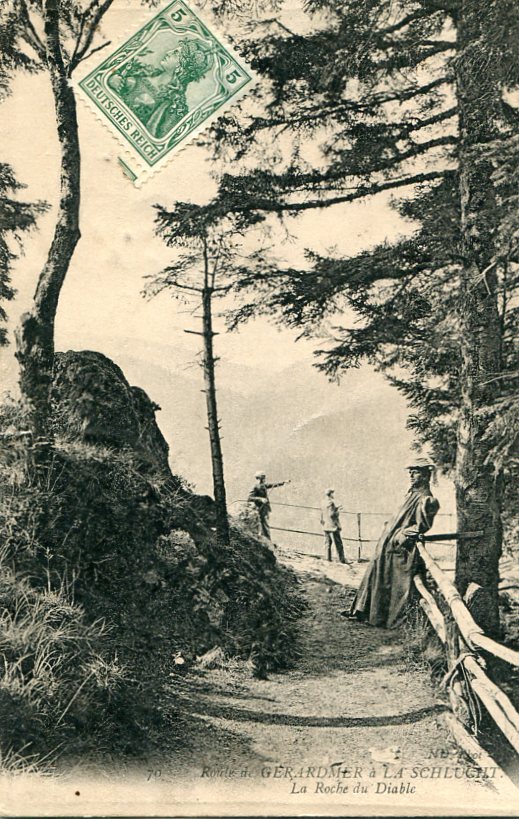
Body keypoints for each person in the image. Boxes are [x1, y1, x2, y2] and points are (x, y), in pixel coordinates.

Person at [348, 458, 440, 628]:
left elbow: (420, 526)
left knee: (395, 583)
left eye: (416, 471)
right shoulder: (412, 495)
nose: (411, 475)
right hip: (388, 545)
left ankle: (383, 618)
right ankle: (368, 612)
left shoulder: (426, 499)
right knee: (379, 575)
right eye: (410, 471)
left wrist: (401, 535)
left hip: (400, 548)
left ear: (426, 475)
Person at [248, 472, 289, 540]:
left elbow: (273, 485)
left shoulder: (263, 485)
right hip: (259, 508)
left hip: (265, 508)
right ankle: (266, 539)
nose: (264, 479)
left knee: (265, 524)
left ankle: (266, 539)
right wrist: (260, 499)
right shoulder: (255, 487)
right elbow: (250, 498)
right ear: (259, 478)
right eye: (263, 478)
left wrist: (283, 482)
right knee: (262, 524)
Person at [320, 488, 349, 564]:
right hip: (333, 526)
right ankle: (342, 560)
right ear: (330, 494)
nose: (334, 495)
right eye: (333, 493)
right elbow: (332, 514)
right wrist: (338, 510)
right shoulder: (331, 503)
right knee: (338, 544)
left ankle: (328, 558)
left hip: (326, 525)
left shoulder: (323, 502)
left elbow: (323, 513)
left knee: (327, 543)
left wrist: (336, 508)